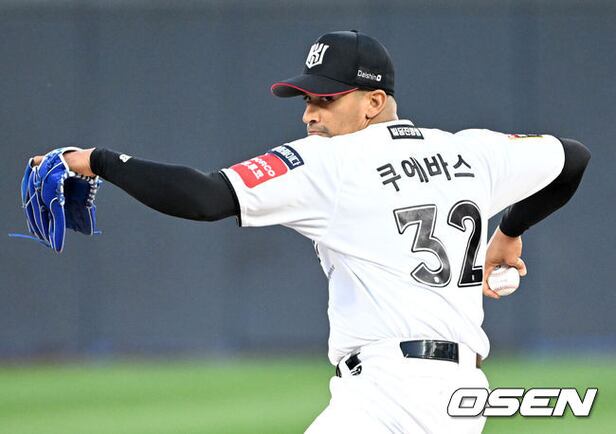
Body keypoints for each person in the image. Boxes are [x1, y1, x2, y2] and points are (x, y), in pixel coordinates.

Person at [31, 30, 590, 433]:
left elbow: (203, 198)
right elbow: (572, 159)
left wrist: (99, 160)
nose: (309, 115)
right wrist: (509, 231)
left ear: (373, 103)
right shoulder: (472, 151)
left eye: (326, 98)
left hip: (386, 395)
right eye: (306, 99)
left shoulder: (330, 162)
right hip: (459, 398)